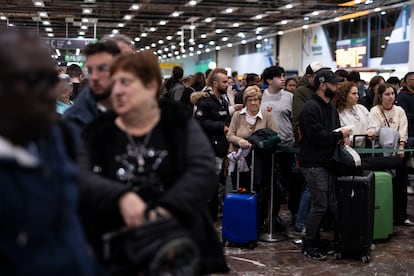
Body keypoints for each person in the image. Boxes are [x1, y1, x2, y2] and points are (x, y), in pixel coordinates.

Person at [79, 51, 229, 274]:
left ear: (150, 86)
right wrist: (120, 197)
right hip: (115, 247)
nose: (117, 90)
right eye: (114, 83)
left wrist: (167, 209)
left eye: (126, 82)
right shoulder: (98, 130)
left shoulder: (177, 121)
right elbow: (81, 175)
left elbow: (202, 169)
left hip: (175, 245)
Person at [0, 28, 100, 275]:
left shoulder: (55, 136)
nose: (51, 93)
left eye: (51, 80)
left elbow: (68, 226)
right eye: (35, 81)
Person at [299, 69, 349, 260]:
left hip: (327, 161)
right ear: (322, 85)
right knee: (320, 205)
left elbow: (333, 132)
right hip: (313, 163)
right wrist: (340, 135)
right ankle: (309, 242)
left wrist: (341, 137)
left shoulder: (330, 108)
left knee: (327, 204)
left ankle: (316, 239)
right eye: (334, 84)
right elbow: (317, 136)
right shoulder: (311, 107)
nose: (337, 87)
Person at [226, 85, 278, 234]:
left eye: (256, 99)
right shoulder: (237, 115)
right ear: (245, 101)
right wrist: (239, 140)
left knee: (260, 192)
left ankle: (257, 223)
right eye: (250, 100)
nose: (254, 103)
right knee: (241, 190)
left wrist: (260, 143)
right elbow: (229, 135)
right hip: (240, 161)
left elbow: (274, 135)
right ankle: (241, 222)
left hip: (260, 163)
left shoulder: (267, 116)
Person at [368, 83, 413, 226]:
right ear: (380, 96)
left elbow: (403, 129)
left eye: (392, 94)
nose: (391, 97)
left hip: (399, 152)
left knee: (401, 184)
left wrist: (401, 146)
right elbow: (373, 128)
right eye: (387, 94)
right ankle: (386, 215)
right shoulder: (375, 111)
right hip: (382, 153)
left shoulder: (399, 111)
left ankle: (402, 216)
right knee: (387, 184)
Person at [62, 41, 121, 144]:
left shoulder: (134, 113)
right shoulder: (72, 118)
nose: (94, 77)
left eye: (102, 69)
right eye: (90, 70)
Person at [193, 68, 231, 220]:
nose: (228, 84)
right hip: (211, 148)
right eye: (224, 82)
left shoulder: (223, 100)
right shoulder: (205, 102)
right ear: (215, 83)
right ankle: (209, 215)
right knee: (211, 184)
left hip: (223, 147)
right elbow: (199, 123)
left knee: (221, 183)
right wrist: (220, 126)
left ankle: (218, 211)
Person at [333, 82, 372, 147]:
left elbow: (371, 123)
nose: (357, 96)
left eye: (357, 93)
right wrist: (363, 137)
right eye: (353, 94)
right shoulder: (338, 113)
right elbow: (342, 136)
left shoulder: (362, 108)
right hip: (349, 149)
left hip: (366, 147)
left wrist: (371, 132)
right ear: (344, 95)